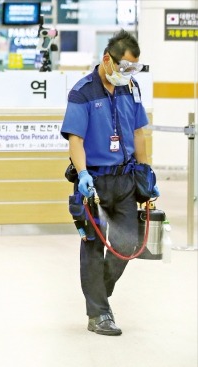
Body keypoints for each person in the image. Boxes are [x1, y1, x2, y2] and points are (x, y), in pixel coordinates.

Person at [61, 29, 159, 336]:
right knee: (93, 246)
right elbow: (75, 139)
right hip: (96, 183)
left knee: (127, 244)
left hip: (127, 180)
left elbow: (139, 132)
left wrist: (145, 173)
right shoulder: (83, 91)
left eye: (135, 68)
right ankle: (98, 314)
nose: (130, 73)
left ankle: (98, 294)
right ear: (108, 59)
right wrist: (84, 174)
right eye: (126, 67)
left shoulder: (133, 88)